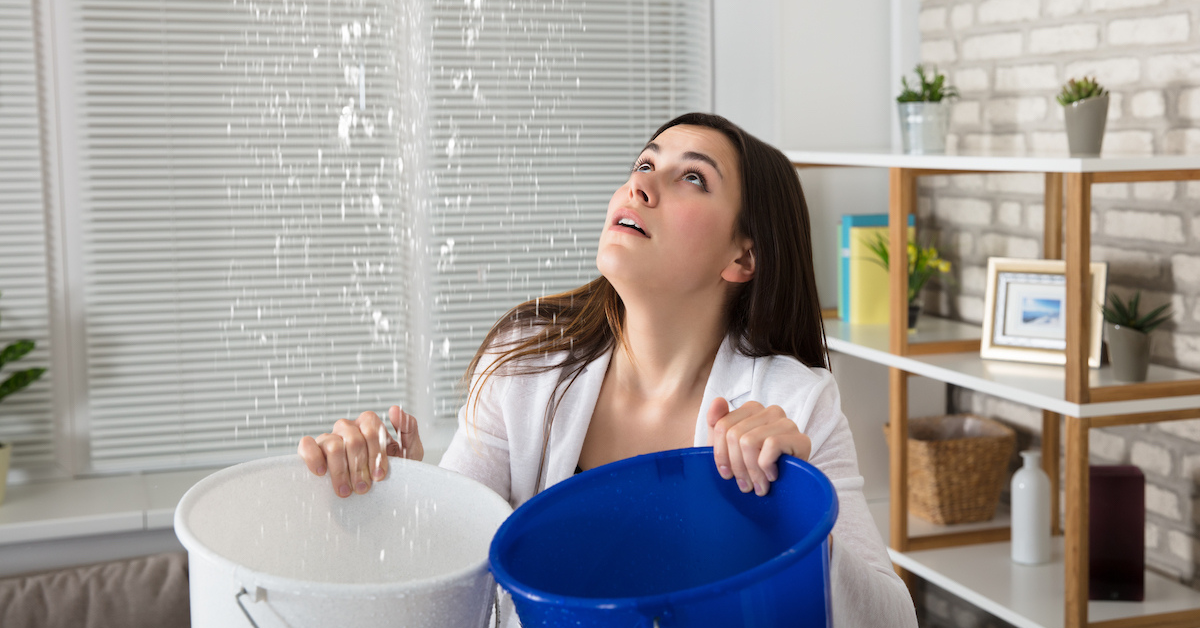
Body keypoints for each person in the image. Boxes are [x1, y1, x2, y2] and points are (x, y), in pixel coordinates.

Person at [298, 112, 919, 627]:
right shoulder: (524, 369)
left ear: (743, 255)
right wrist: (400, 501)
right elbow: (455, 591)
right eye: (645, 165)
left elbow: (892, 619)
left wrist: (799, 512)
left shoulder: (795, 403)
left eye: (693, 179)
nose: (641, 187)